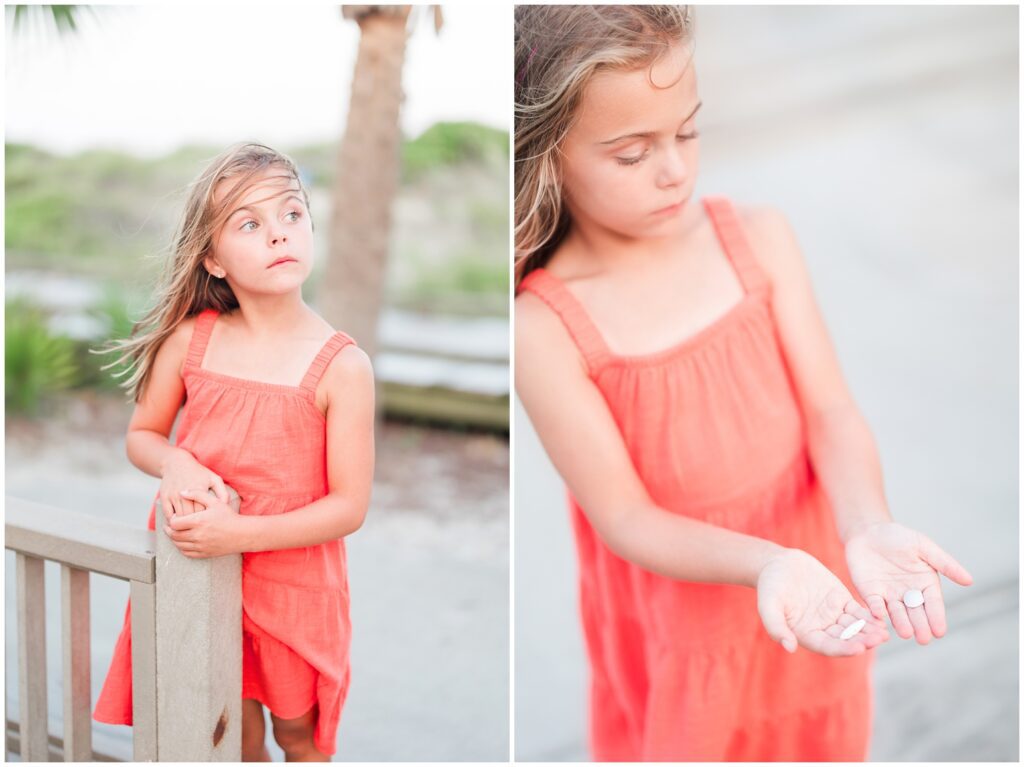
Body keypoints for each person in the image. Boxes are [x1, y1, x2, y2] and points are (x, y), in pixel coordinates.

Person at [513, 6, 973, 761]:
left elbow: (830, 411)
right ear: (546, 154)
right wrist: (766, 563)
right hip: (690, 625)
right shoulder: (546, 327)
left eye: (687, 132)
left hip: (816, 589)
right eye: (631, 153)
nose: (674, 169)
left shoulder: (757, 239)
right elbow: (624, 517)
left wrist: (865, 524)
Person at [91, 142, 375, 761]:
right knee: (228, 729)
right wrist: (179, 461)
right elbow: (143, 437)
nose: (279, 235)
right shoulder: (192, 340)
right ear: (213, 260)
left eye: (291, 215)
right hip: (199, 568)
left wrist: (236, 533)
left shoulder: (343, 366)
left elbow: (349, 508)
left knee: (298, 735)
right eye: (250, 224)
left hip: (293, 581)